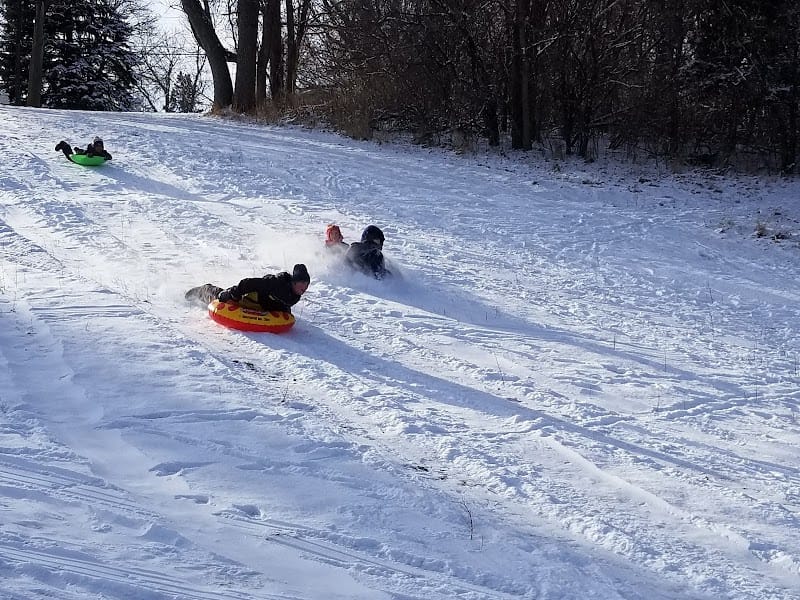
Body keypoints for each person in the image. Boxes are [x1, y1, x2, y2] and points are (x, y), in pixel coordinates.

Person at [185, 263, 310, 313]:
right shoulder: (276, 283)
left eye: (307, 284)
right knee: (219, 297)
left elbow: (280, 303)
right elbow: (248, 283)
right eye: (303, 283)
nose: (305, 287)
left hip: (258, 305)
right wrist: (233, 294)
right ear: (294, 282)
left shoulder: (295, 296)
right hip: (248, 296)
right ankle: (201, 291)